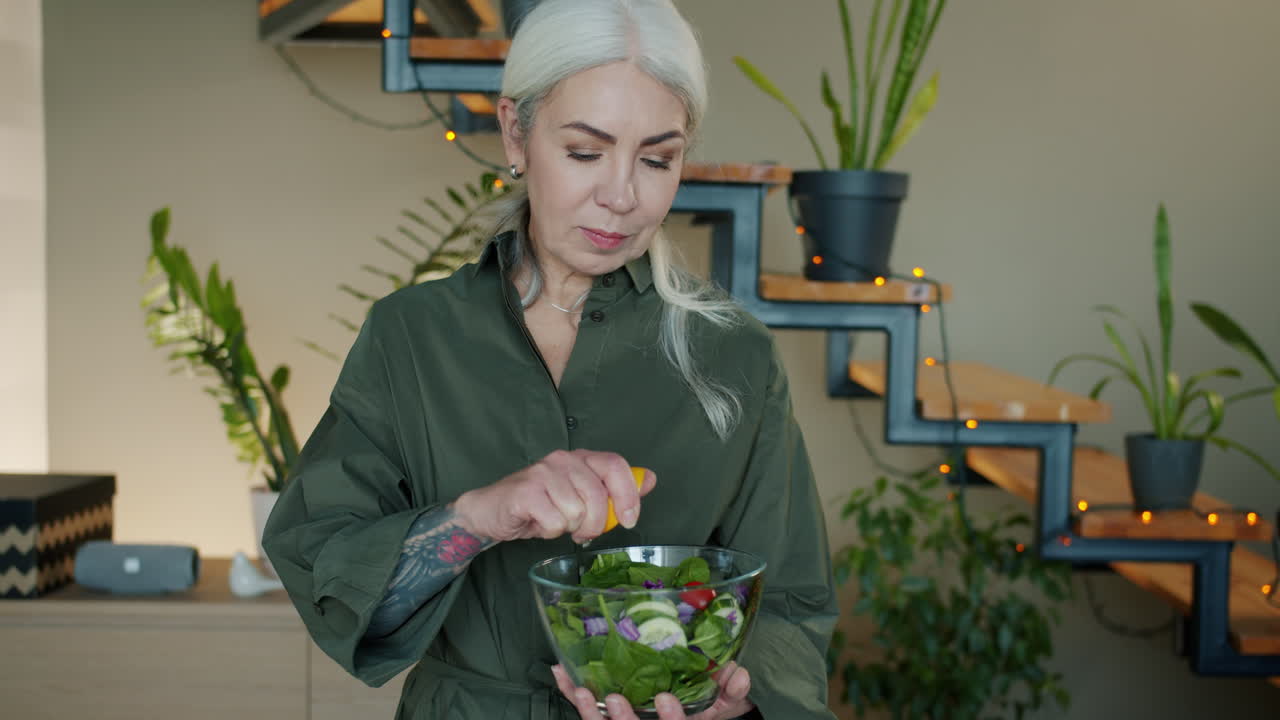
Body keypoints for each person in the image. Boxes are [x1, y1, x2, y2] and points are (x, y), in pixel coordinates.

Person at [261, 0, 838, 718]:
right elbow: (325, 565)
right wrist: (479, 516)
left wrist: (735, 706)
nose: (622, 196)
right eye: (586, 152)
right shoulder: (410, 335)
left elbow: (790, 602)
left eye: (658, 159)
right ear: (516, 131)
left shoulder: (736, 356)